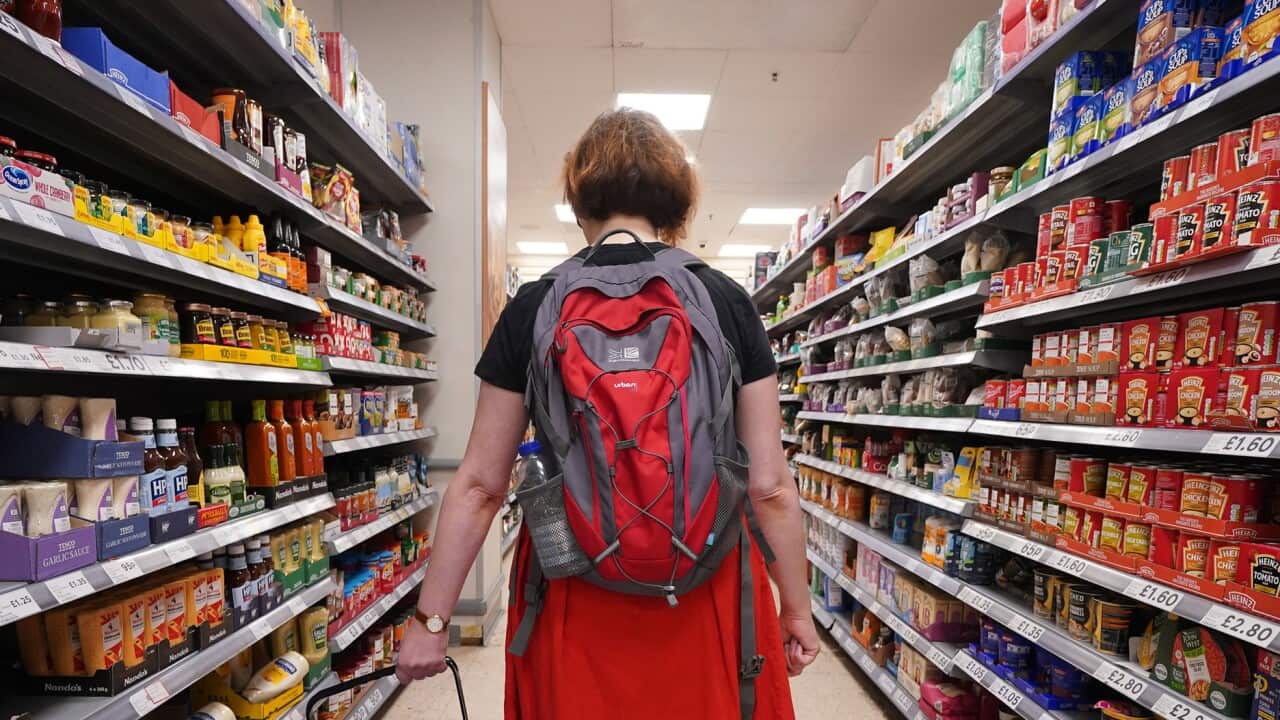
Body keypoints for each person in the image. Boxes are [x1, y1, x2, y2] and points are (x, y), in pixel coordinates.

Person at [395, 107, 820, 718]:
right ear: (676, 203)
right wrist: (796, 609)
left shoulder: (535, 306)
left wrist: (433, 619)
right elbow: (771, 487)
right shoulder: (726, 302)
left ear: (580, 201)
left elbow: (482, 485)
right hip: (708, 591)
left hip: (574, 592)